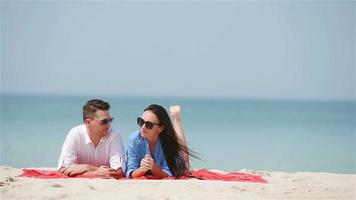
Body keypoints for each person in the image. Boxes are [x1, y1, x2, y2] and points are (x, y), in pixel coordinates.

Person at [57, 99, 126, 179]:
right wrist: (95, 171)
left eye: (110, 121)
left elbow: (119, 173)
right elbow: (63, 170)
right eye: (104, 122)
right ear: (88, 122)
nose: (108, 125)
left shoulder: (114, 135)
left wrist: (88, 168)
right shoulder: (75, 134)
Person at [126, 104, 196, 178]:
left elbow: (170, 174)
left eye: (149, 124)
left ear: (160, 128)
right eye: (141, 121)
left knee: (185, 161)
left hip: (178, 162)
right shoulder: (133, 139)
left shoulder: (168, 142)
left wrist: (154, 168)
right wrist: (142, 170)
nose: (143, 127)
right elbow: (130, 172)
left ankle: (177, 120)